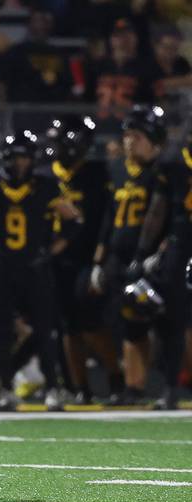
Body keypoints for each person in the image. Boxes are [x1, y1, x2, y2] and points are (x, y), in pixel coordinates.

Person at [0, 131, 82, 411]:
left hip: (34, 267)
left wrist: (51, 251)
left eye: (24, 157)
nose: (20, 164)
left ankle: (53, 387)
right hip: (2, 268)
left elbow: (73, 220)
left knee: (45, 330)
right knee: (2, 332)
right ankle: (7, 388)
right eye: (15, 157)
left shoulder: (46, 184)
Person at [42, 115, 124, 404]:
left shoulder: (96, 174)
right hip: (57, 259)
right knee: (68, 326)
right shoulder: (47, 175)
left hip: (87, 257)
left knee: (91, 323)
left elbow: (105, 219)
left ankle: (116, 380)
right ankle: (80, 388)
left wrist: (100, 259)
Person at [90, 105, 168, 405]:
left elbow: (167, 216)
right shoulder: (118, 170)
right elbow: (108, 218)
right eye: (127, 136)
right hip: (119, 258)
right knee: (123, 321)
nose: (129, 142)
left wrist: (159, 251)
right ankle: (132, 387)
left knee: (163, 323)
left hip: (150, 257)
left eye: (136, 136)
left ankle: (160, 384)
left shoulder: (161, 171)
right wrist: (98, 261)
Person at [125, 127, 192, 410]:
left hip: (180, 246)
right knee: (171, 320)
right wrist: (144, 252)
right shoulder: (174, 162)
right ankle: (171, 387)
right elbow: (158, 210)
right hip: (182, 244)